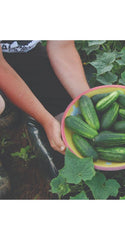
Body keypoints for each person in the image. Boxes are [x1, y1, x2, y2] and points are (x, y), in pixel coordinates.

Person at [0, 40, 90, 198]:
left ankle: (12, 112)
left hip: (25, 54)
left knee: (64, 113)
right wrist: (45, 119)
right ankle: (6, 111)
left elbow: (61, 46)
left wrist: (86, 101)